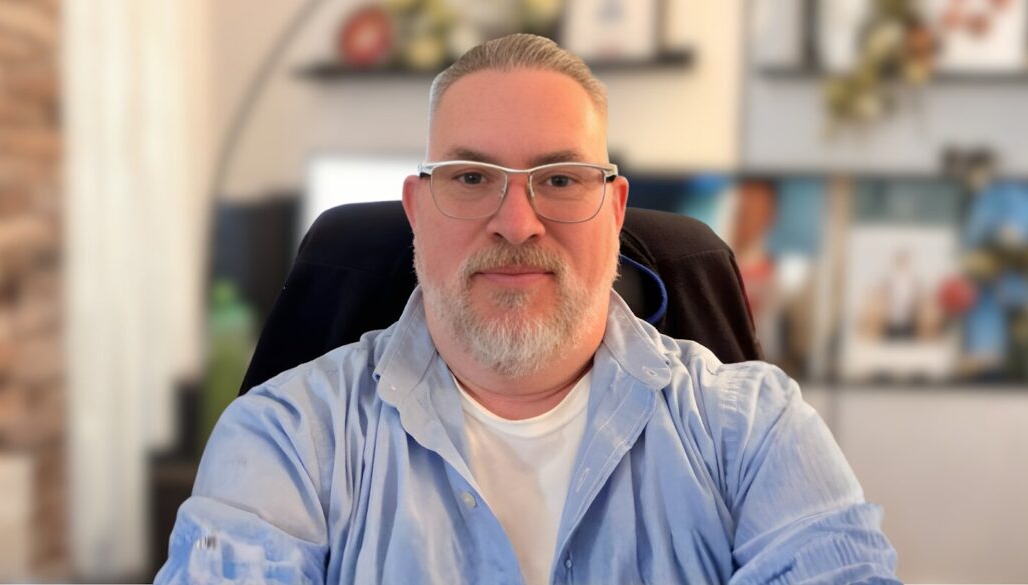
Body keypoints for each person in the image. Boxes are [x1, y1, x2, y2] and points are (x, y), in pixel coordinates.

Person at [156, 34, 899, 584]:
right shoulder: (288, 435)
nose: (516, 222)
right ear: (418, 211)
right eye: (472, 176)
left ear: (614, 208)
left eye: (561, 179)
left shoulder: (753, 428)